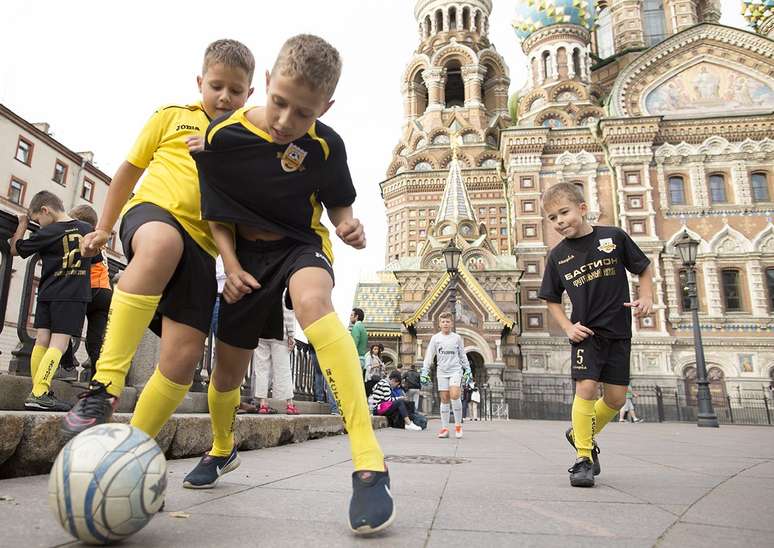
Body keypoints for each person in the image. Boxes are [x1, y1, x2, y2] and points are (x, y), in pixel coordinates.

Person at [185, 34, 394, 534]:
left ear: (326, 106)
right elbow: (214, 215)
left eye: (302, 113)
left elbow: (338, 200)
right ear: (266, 85)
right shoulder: (223, 138)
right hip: (244, 258)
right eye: (278, 103)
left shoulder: (326, 144)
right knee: (227, 376)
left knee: (315, 304)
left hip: (300, 245)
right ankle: (221, 448)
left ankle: (369, 462)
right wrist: (231, 267)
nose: (285, 121)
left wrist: (348, 223)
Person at [60, 39, 255, 440]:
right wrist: (104, 226)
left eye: (236, 90)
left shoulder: (249, 142)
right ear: (201, 81)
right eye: (216, 85)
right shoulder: (172, 116)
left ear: (250, 93)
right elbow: (128, 172)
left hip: (203, 246)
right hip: (153, 213)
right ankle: (104, 387)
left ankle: (134, 444)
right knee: (163, 244)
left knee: (183, 361)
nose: (224, 96)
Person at [538, 182, 653, 488]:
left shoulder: (612, 237)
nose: (560, 221)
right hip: (585, 333)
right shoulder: (558, 255)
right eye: (552, 218)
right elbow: (551, 299)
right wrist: (567, 327)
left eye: (564, 212)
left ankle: (579, 432)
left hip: (618, 330)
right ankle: (583, 458)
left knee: (615, 400)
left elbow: (642, 268)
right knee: (586, 389)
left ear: (582, 208)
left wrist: (647, 297)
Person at [10, 191, 94, 411]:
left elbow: (15, 249)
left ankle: (39, 391)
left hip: (47, 292)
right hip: (73, 295)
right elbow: (94, 259)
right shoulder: (87, 229)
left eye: (38, 220)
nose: (40, 224)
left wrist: (22, 224)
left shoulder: (49, 232)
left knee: (42, 341)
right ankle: (39, 393)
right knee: (59, 344)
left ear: (45, 210)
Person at [69, 205, 114, 382]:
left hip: (87, 288)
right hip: (105, 292)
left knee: (66, 328)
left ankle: (67, 363)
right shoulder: (99, 238)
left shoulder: (84, 235)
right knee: (95, 339)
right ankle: (98, 377)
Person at [421, 311, 471, 439]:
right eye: (443, 322)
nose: (445, 324)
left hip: (455, 370)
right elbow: (429, 356)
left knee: (454, 395)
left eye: (448, 322)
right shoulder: (435, 338)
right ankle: (444, 428)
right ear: (439, 324)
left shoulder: (457, 338)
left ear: (451, 323)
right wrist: (425, 371)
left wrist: (467, 369)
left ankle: (458, 425)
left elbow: (462, 354)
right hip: (442, 371)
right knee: (444, 399)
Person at [251, 302, 300, 415]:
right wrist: (291, 334)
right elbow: (288, 312)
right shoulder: (281, 287)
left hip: (261, 333)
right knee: (283, 369)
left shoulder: (259, 285)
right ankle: (289, 404)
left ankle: (263, 404)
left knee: (261, 369)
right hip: (279, 333)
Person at [350, 308, 368, 379]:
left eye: (351, 315)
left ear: (356, 316)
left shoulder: (356, 327)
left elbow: (354, 344)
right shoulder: (363, 328)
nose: (350, 317)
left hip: (356, 359)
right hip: (362, 359)